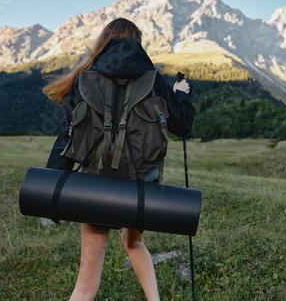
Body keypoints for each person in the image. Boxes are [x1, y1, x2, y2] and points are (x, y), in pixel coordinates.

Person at [43, 18, 195, 301]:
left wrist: (51, 190)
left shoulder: (84, 78)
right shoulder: (154, 79)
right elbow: (182, 126)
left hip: (96, 188)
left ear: (105, 41)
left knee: (86, 284)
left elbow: (67, 137)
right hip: (141, 187)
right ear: (137, 43)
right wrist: (181, 96)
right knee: (134, 243)